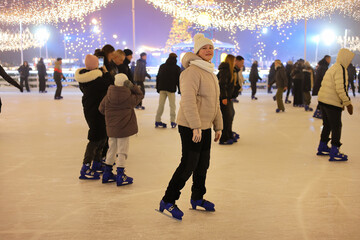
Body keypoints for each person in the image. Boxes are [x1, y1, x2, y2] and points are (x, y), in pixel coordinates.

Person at [159, 33, 223, 220]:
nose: (209, 50)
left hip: (204, 126)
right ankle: (168, 200)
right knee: (188, 164)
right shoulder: (191, 72)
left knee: (203, 164)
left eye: (210, 47)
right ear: (197, 51)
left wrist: (218, 126)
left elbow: (215, 102)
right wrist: (195, 126)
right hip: (190, 126)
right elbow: (188, 101)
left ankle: (197, 197)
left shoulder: (210, 72)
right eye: (204, 48)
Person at [99, 73, 144, 186]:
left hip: (111, 128)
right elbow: (140, 94)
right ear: (126, 83)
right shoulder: (129, 97)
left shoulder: (108, 96)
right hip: (124, 128)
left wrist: (111, 117)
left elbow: (101, 109)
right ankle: (120, 175)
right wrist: (132, 86)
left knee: (111, 149)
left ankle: (107, 173)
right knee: (122, 151)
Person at [75, 54, 113, 180]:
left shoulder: (85, 78)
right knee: (95, 137)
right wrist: (106, 73)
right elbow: (111, 83)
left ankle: (96, 163)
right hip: (96, 111)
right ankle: (85, 167)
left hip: (92, 109)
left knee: (102, 136)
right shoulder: (96, 80)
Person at [316, 48, 354, 161]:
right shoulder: (341, 69)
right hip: (331, 102)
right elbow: (341, 88)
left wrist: (341, 102)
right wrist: (348, 103)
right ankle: (334, 150)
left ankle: (322, 146)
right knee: (336, 126)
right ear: (345, 58)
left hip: (323, 100)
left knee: (327, 125)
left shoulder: (333, 67)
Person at [155, 53, 181, 128]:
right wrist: (180, 90)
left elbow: (158, 77)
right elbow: (178, 80)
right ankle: (173, 122)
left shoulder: (162, 66)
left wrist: (158, 88)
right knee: (172, 106)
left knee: (161, 105)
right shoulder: (176, 68)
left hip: (162, 88)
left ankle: (157, 120)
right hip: (171, 89)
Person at [217, 54, 238, 144]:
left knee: (230, 115)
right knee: (226, 117)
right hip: (224, 98)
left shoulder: (230, 70)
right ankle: (224, 137)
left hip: (228, 97)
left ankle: (229, 133)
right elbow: (222, 84)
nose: (235, 63)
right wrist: (224, 97)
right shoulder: (225, 70)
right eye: (234, 61)